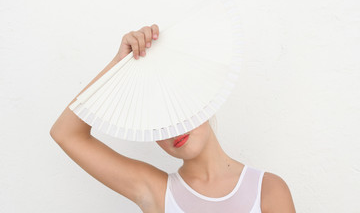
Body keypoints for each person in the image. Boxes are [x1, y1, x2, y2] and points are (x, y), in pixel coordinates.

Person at [50, 24, 296, 213]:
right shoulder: (157, 191)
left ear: (205, 101)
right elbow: (65, 133)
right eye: (157, 124)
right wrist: (119, 65)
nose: (171, 130)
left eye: (176, 110)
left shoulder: (268, 190)